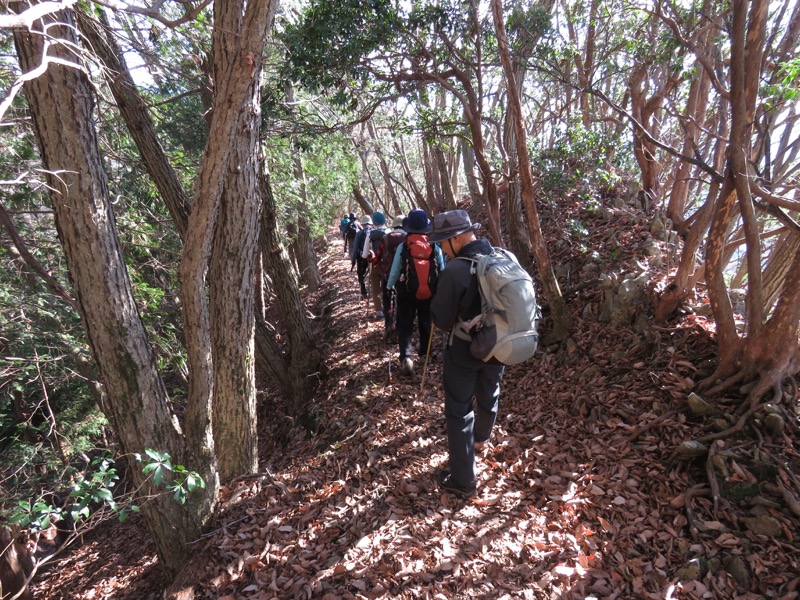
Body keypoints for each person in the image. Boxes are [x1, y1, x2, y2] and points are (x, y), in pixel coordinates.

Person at [429, 209, 504, 499]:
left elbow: (442, 320)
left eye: (443, 242)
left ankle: (463, 480)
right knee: (490, 389)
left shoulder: (456, 270)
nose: (441, 248)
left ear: (457, 238)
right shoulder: (502, 257)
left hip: (465, 349)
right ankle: (481, 441)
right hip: (500, 343)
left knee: (459, 409)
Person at [386, 209, 445, 377]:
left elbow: (396, 269)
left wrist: (390, 286)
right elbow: (441, 268)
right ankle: (425, 353)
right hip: (429, 291)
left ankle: (406, 357)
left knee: (405, 324)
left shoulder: (404, 245)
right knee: (425, 321)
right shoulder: (434, 245)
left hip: (406, 291)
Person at [374, 215, 406, 337]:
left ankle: (389, 325)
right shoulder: (408, 238)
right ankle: (400, 327)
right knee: (402, 302)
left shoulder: (386, 237)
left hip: (387, 273)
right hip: (404, 276)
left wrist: (374, 260)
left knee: (387, 301)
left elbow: (378, 256)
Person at [362, 211, 388, 320]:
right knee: (387, 288)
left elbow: (364, 254)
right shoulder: (389, 232)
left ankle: (379, 312)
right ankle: (388, 309)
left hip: (375, 265)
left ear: (373, 222)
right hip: (387, 265)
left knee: (376, 289)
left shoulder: (370, 234)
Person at [351, 214, 373, 300]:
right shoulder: (374, 232)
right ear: (370, 224)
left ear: (363, 224)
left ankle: (363, 292)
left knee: (361, 274)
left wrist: (353, 260)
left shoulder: (359, 233)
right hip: (373, 257)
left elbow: (355, 247)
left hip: (361, 257)